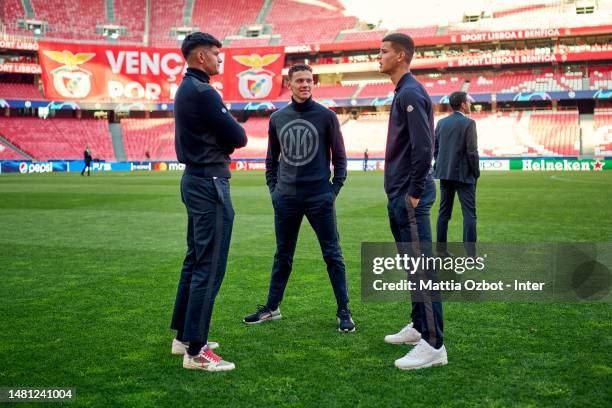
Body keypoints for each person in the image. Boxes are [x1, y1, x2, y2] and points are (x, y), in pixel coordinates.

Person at [243, 64, 355, 333]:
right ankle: (272, 307)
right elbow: (271, 160)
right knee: (283, 255)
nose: (306, 84)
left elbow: (340, 159)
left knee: (333, 255)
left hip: (319, 197)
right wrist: (274, 191)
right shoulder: (277, 118)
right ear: (289, 84)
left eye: (309, 80)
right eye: (300, 81)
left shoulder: (326, 116)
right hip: (286, 199)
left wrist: (333, 190)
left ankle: (344, 311)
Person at [170, 32, 247, 372]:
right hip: (209, 183)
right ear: (201, 57)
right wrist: (225, 142)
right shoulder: (203, 91)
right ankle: (196, 351)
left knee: (195, 260)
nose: (220, 59)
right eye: (216, 54)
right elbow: (239, 137)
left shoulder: (188, 88)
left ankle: (184, 337)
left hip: (196, 180)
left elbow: (228, 137)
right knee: (209, 265)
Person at [377, 33, 447, 369]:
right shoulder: (402, 91)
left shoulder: (411, 92)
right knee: (412, 267)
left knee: (422, 269)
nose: (379, 57)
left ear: (401, 55)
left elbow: (423, 148)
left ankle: (434, 345)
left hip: (410, 195)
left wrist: (415, 192)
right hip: (400, 193)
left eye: (384, 51)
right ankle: (420, 327)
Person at [434, 91, 480, 256]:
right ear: (462, 104)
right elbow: (472, 152)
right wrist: (476, 173)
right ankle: (470, 256)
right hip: (464, 175)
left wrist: (441, 166)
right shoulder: (469, 123)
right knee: (469, 215)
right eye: (468, 101)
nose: (469, 104)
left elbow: (436, 149)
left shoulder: (441, 123)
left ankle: (440, 251)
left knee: (443, 214)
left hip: (445, 174)